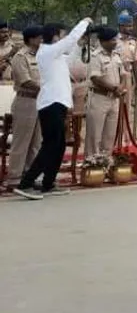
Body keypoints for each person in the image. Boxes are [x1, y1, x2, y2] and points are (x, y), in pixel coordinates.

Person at [14, 18, 92, 200]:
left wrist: (81, 43)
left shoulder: (56, 55)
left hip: (60, 103)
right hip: (50, 104)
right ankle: (26, 182)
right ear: (55, 36)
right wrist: (84, 23)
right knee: (49, 145)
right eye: (61, 34)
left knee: (59, 145)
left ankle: (48, 183)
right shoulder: (47, 52)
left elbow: (71, 56)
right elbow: (70, 40)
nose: (63, 37)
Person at [6, 26, 43, 188]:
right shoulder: (20, 57)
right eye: (40, 37)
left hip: (39, 101)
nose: (42, 40)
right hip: (25, 101)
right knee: (21, 141)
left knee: (36, 142)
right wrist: (47, 88)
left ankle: (30, 175)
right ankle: (14, 177)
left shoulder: (40, 56)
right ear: (32, 39)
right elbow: (25, 81)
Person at [85, 27, 126, 157]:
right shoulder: (95, 56)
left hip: (114, 99)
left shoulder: (116, 56)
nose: (116, 42)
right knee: (94, 134)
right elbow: (95, 78)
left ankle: (105, 162)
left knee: (109, 135)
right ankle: (91, 164)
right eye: (113, 39)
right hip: (99, 98)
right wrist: (114, 88)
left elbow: (123, 74)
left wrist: (121, 86)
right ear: (104, 41)